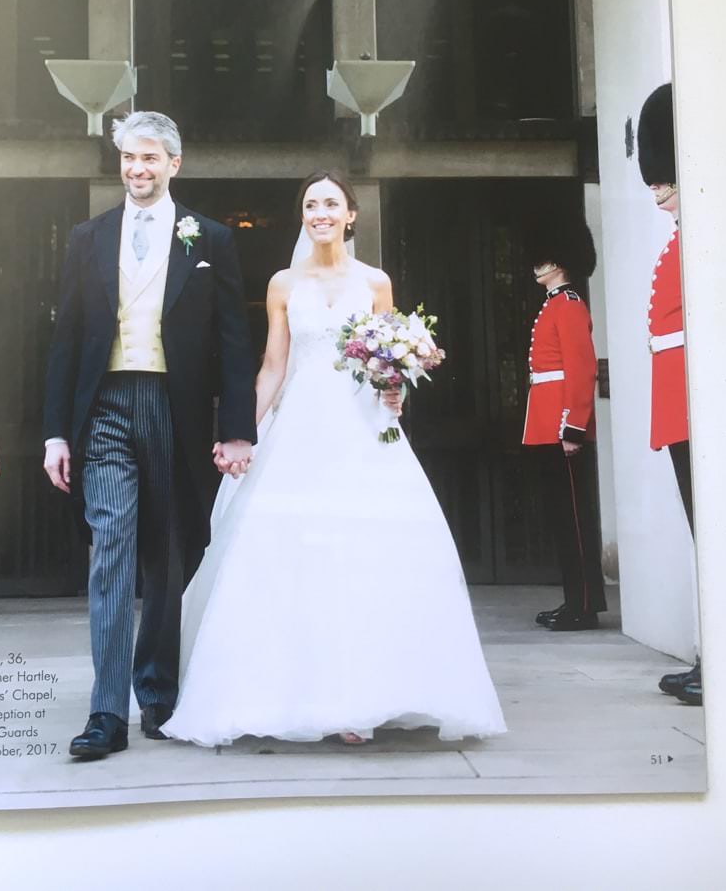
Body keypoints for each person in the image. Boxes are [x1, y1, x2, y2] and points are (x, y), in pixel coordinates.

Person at [162, 171, 506, 747]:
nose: (320, 212)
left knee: (366, 553)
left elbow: (384, 361)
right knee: (290, 552)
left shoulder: (375, 282)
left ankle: (361, 699)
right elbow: (274, 365)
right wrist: (242, 431)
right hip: (298, 427)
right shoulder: (281, 284)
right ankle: (290, 692)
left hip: (361, 428)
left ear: (351, 215)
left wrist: (395, 384)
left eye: (331, 204)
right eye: (310, 204)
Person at [43, 111, 257, 761]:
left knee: (165, 553)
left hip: (173, 406)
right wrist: (56, 432)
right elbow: (66, 340)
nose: (137, 169)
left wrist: (238, 430)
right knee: (111, 544)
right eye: (128, 159)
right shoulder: (89, 236)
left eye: (149, 158)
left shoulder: (210, 239)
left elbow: (233, 342)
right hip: (105, 403)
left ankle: (157, 691)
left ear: (174, 163)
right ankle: (107, 710)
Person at [637, 82, 700, 705]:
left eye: (663, 176)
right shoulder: (683, 236)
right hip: (679, 402)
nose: (656, 187)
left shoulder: (704, 235)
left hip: (696, 401)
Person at [522, 216, 606, 631]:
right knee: (562, 517)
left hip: (562, 426)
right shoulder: (555, 304)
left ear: (560, 263)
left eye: (546, 259)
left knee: (574, 518)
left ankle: (584, 605)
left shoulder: (569, 305)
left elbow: (582, 368)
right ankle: (574, 599)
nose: (539, 266)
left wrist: (572, 428)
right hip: (547, 420)